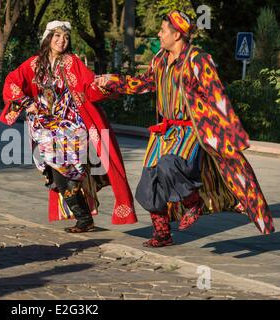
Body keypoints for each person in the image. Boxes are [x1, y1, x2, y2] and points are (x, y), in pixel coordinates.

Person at [95, 10, 274, 247]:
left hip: (191, 131)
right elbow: (146, 82)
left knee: (170, 166)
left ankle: (193, 202)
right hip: (163, 132)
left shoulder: (198, 59)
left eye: (162, 30)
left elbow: (217, 95)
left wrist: (230, 133)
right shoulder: (159, 57)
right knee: (147, 185)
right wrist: (114, 81)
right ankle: (162, 233)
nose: (158, 34)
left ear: (177, 35)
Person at [0, 20, 137, 232]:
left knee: (67, 171)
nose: (61, 41)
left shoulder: (72, 62)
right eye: (57, 36)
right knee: (56, 172)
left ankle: (84, 219)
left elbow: (89, 85)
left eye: (65, 37)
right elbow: (12, 82)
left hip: (71, 125)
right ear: (48, 38)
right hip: (44, 127)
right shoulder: (34, 63)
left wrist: (106, 84)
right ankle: (84, 219)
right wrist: (28, 103)